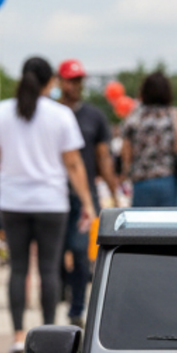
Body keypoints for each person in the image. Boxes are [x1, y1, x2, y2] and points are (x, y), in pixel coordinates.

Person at [0, 56, 97, 353]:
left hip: (13, 200)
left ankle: (18, 336)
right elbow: (73, 164)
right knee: (49, 269)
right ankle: (48, 338)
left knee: (18, 269)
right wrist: (87, 203)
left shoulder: (2, 111)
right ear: (51, 82)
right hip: (50, 201)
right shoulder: (60, 115)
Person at [57, 59, 120, 326]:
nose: (76, 86)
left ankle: (77, 309)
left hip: (84, 193)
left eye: (79, 81)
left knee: (81, 251)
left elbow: (103, 156)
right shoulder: (52, 112)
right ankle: (59, 291)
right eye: (71, 80)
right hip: (55, 192)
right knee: (57, 251)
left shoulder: (94, 116)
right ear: (59, 82)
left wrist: (114, 191)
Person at [120, 71, 177, 207]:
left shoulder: (135, 117)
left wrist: (127, 172)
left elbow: (126, 150)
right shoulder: (175, 115)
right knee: (171, 225)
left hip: (141, 180)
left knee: (142, 225)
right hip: (169, 179)